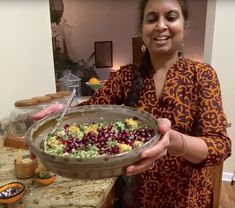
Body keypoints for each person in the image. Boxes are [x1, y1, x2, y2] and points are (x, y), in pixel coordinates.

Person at [32, 0, 231, 207]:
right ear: (141, 29)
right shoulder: (124, 77)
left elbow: (219, 147)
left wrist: (173, 141)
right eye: (152, 18)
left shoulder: (201, 75)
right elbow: (86, 115)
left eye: (171, 17)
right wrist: (61, 113)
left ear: (185, 25)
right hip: (135, 199)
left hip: (188, 199)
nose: (161, 26)